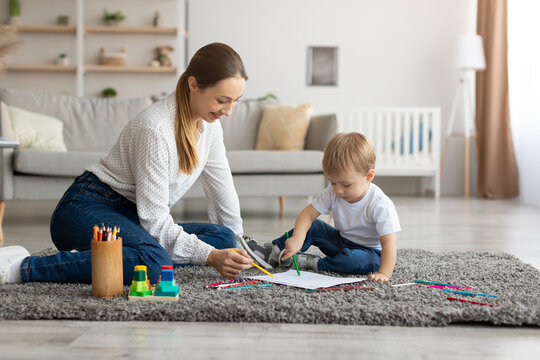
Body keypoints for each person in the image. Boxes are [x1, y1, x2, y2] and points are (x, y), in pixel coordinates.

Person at [0, 43, 256, 285]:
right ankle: (21, 267)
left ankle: (115, 257)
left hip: (133, 218)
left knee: (223, 238)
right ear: (193, 84)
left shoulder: (210, 128)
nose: (229, 111)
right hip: (85, 209)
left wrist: (239, 248)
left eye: (235, 101)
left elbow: (222, 190)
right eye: (222, 100)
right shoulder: (155, 129)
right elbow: (155, 222)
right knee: (154, 263)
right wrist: (210, 257)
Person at [242, 132, 401, 282]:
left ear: (369, 176)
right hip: (341, 242)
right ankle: (274, 252)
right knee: (314, 226)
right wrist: (298, 237)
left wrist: (384, 273)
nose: (338, 190)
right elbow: (308, 214)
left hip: (370, 253)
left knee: (356, 261)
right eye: (332, 182)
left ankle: (315, 264)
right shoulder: (333, 192)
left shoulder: (380, 204)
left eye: (346, 184)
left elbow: (389, 243)